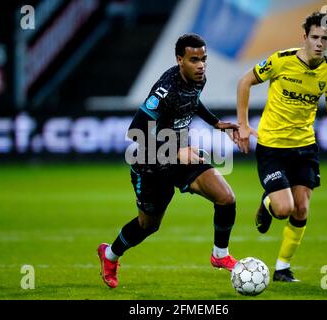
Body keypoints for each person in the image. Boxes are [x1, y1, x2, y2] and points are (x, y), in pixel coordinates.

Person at [98, 33, 240, 288]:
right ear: (179, 60)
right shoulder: (165, 90)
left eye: (204, 59)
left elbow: (193, 102)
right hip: (150, 164)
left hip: (181, 158)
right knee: (147, 225)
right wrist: (175, 152)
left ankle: (220, 255)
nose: (201, 65)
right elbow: (136, 131)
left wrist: (216, 123)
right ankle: (109, 255)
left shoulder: (198, 79)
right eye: (194, 59)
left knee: (226, 197)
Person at [236, 12, 327, 282]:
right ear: (304, 37)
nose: (319, 43)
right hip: (272, 146)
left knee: (301, 209)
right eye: (315, 37)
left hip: (305, 147)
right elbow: (244, 81)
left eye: (325, 39)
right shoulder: (281, 60)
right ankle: (267, 202)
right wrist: (243, 125)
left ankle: (282, 268)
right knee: (283, 209)